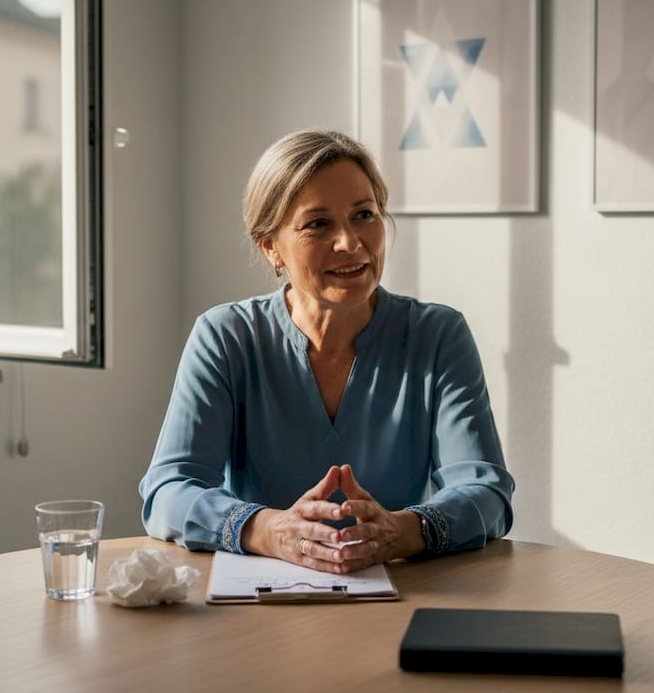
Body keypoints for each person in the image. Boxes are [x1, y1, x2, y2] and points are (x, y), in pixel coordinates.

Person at [140, 129, 514, 574]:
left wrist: (402, 530)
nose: (350, 242)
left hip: (399, 597)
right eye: (318, 224)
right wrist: (270, 531)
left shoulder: (437, 335)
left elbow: (486, 491)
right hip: (255, 610)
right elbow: (167, 490)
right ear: (270, 245)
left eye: (364, 215)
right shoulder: (225, 337)